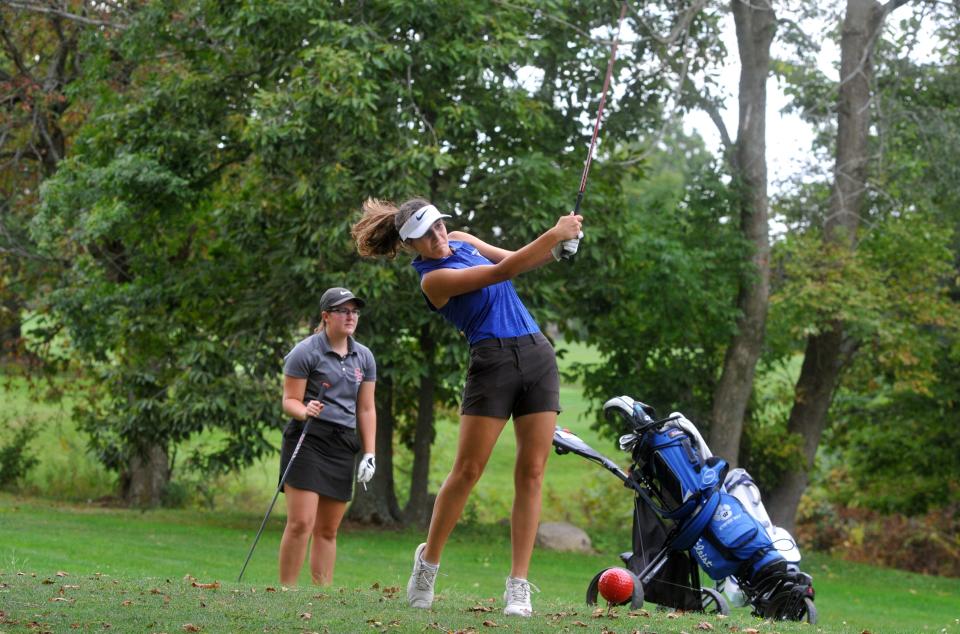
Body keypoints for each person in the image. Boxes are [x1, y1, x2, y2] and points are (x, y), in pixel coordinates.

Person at [351, 197, 583, 617]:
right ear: (410, 245)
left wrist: (557, 250)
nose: (439, 237)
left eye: (439, 226)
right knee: (468, 471)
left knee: (532, 471)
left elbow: (514, 258)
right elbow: (501, 272)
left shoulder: (460, 240)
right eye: (427, 234)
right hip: (491, 362)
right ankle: (428, 563)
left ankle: (518, 585)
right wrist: (554, 233)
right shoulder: (433, 281)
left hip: (536, 355)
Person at [278, 287, 377, 586]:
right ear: (326, 316)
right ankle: (287, 591)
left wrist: (369, 454)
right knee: (301, 523)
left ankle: (321, 595)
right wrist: (305, 409)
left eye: (354, 311)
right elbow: (289, 401)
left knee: (328, 529)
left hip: (342, 443)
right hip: (308, 439)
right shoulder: (305, 352)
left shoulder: (364, 357)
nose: (350, 316)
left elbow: (367, 408)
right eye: (343, 311)